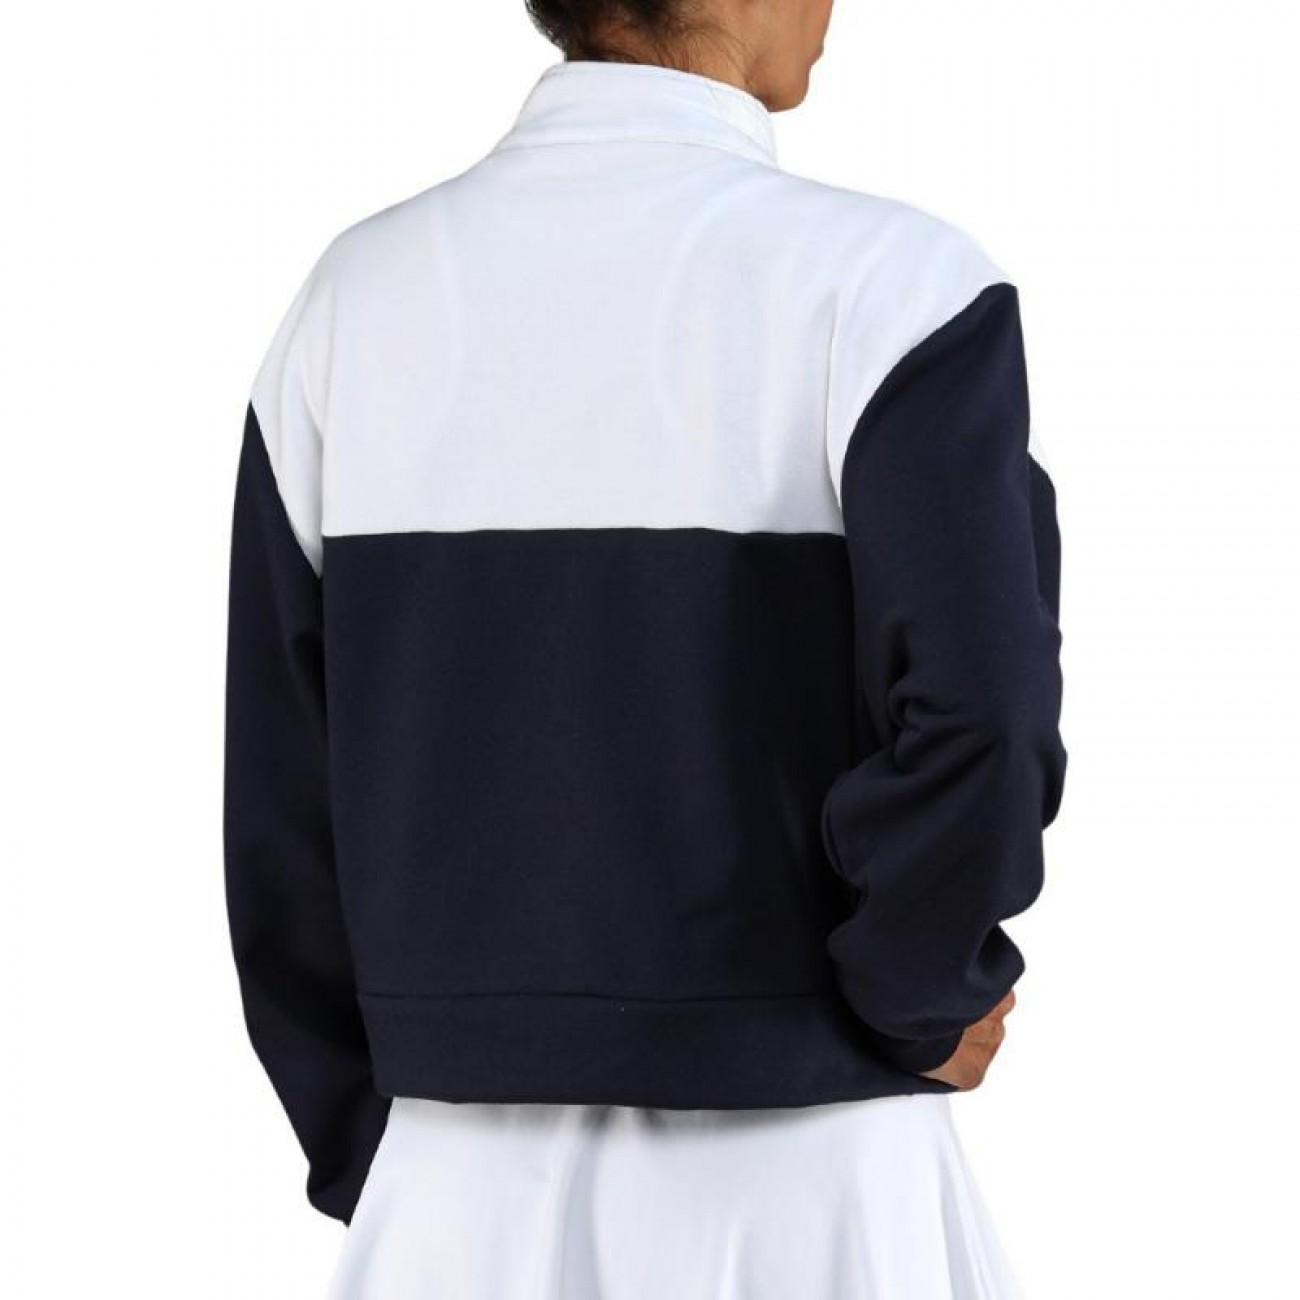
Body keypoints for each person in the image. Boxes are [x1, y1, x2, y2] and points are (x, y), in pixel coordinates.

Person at [221, 1, 1067, 1295]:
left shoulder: (353, 301)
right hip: (813, 1181)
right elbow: (983, 710)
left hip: (452, 1195)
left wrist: (390, 1154)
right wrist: (919, 995)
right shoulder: (895, 289)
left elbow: (283, 799)